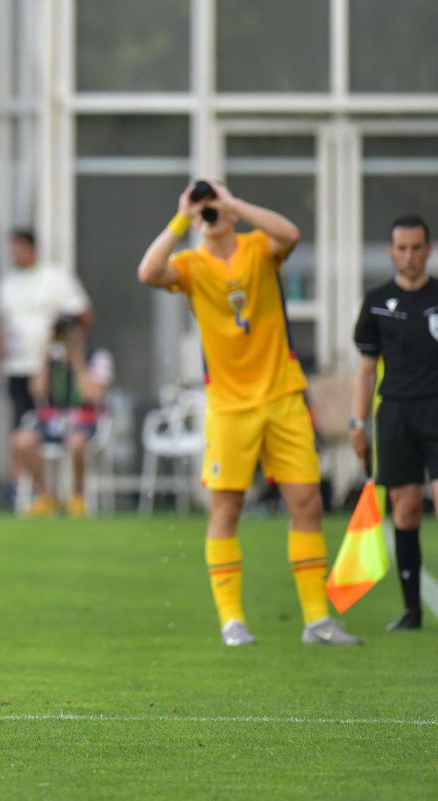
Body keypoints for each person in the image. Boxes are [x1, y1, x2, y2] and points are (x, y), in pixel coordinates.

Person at [137, 181, 360, 647]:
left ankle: (317, 620)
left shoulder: (259, 248)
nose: (210, 214)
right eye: (205, 209)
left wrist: (233, 202)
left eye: (213, 206)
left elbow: (291, 233)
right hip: (229, 406)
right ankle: (232, 620)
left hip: (282, 394)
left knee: (307, 501)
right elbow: (147, 271)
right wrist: (183, 216)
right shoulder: (191, 265)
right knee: (227, 506)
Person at [352, 213, 438, 631]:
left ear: (429, 250)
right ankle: (412, 611)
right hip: (396, 413)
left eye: (416, 248)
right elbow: (367, 369)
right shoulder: (375, 302)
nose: (409, 256)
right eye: (401, 248)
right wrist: (357, 422)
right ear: (391, 251)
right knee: (404, 511)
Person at [0, 229, 92, 513]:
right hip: (18, 367)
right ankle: (37, 492)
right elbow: (4, 326)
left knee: (58, 429)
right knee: (21, 432)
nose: (15, 254)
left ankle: (72, 495)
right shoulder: (8, 284)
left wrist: (73, 352)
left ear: (32, 248)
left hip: (51, 368)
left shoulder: (55, 279)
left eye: (19, 248)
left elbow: (83, 313)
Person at [12, 317, 112, 518]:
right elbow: (37, 391)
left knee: (75, 443)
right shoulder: (51, 359)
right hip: (54, 419)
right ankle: (45, 496)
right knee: (21, 441)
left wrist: (77, 359)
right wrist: (44, 353)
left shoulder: (97, 357)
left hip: (84, 419)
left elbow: (90, 393)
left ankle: (77, 496)